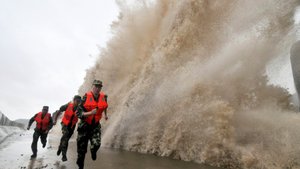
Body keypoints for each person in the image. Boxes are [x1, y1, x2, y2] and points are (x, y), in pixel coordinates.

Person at [76, 80, 108, 169]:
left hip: (95, 125)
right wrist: (89, 113)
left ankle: (93, 151)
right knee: (81, 152)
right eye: (96, 86)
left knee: (97, 144)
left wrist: (105, 115)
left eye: (99, 87)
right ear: (92, 87)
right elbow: (78, 113)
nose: (97, 88)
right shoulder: (85, 97)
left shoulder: (104, 97)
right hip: (84, 126)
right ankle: (80, 165)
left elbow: (105, 106)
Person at [53, 95, 81, 162]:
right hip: (65, 124)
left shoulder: (80, 108)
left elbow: (83, 116)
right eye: (77, 101)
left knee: (66, 139)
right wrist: (55, 120)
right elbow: (59, 111)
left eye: (79, 101)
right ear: (74, 100)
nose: (78, 103)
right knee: (65, 135)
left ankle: (60, 147)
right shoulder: (68, 105)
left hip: (72, 126)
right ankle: (64, 155)